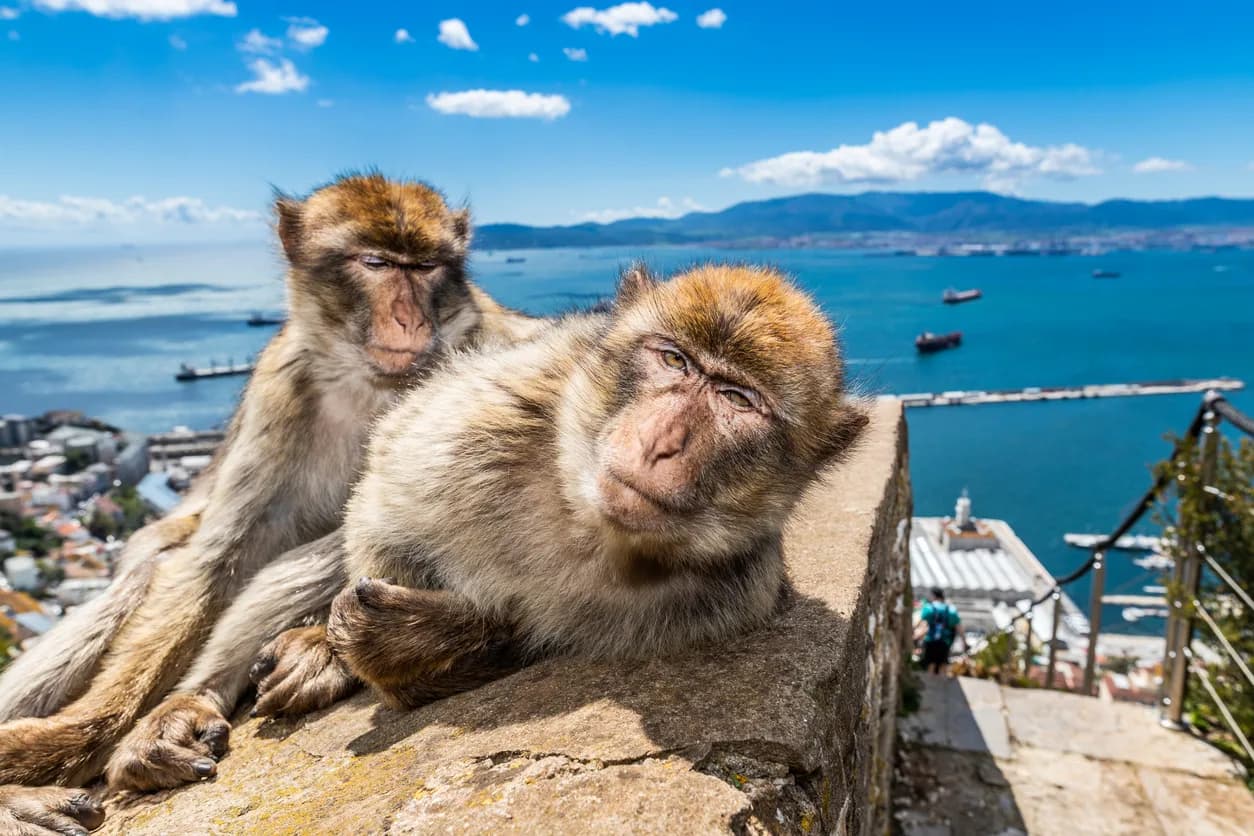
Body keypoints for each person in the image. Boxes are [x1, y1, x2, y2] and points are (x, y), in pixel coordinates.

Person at [914, 588, 965, 674]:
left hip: (930, 641)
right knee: (943, 666)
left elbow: (919, 623)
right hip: (945, 642)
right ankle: (942, 682)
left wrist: (914, 635)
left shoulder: (929, 608)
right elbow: (959, 628)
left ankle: (930, 682)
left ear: (933, 596)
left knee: (930, 664)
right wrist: (964, 642)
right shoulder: (950, 609)